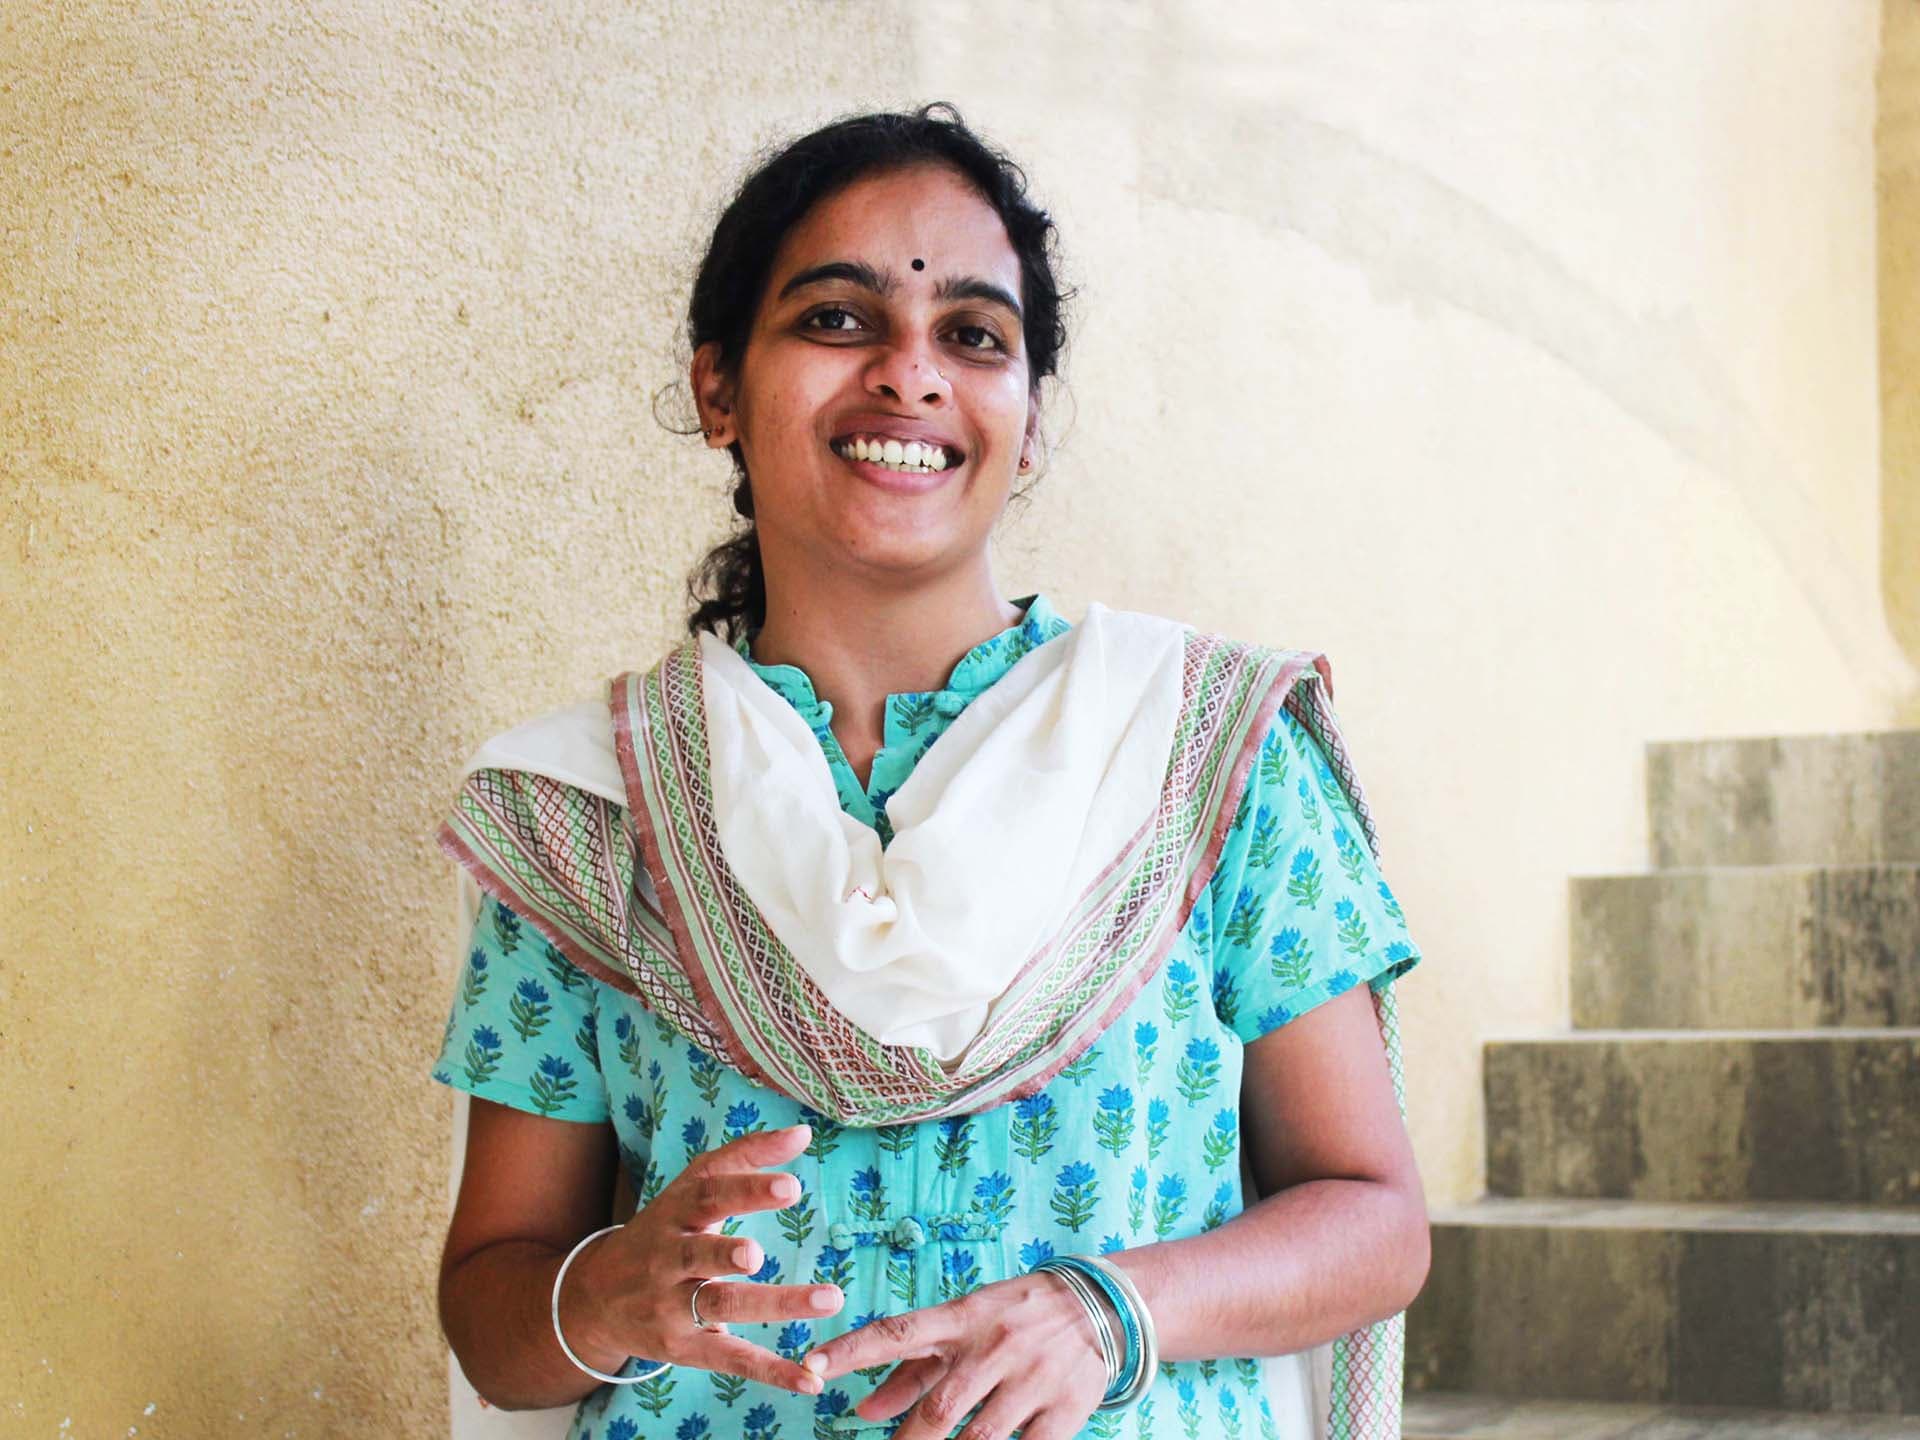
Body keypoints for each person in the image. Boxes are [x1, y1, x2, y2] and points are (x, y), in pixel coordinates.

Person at [428, 102, 1428, 1440]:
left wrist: (1109, 1311)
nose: (911, 373)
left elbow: (1375, 1220)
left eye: (974, 334)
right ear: (717, 386)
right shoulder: (592, 812)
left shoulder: (1204, 750)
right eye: (837, 319)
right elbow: (496, 1306)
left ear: (1029, 414)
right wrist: (607, 1299)